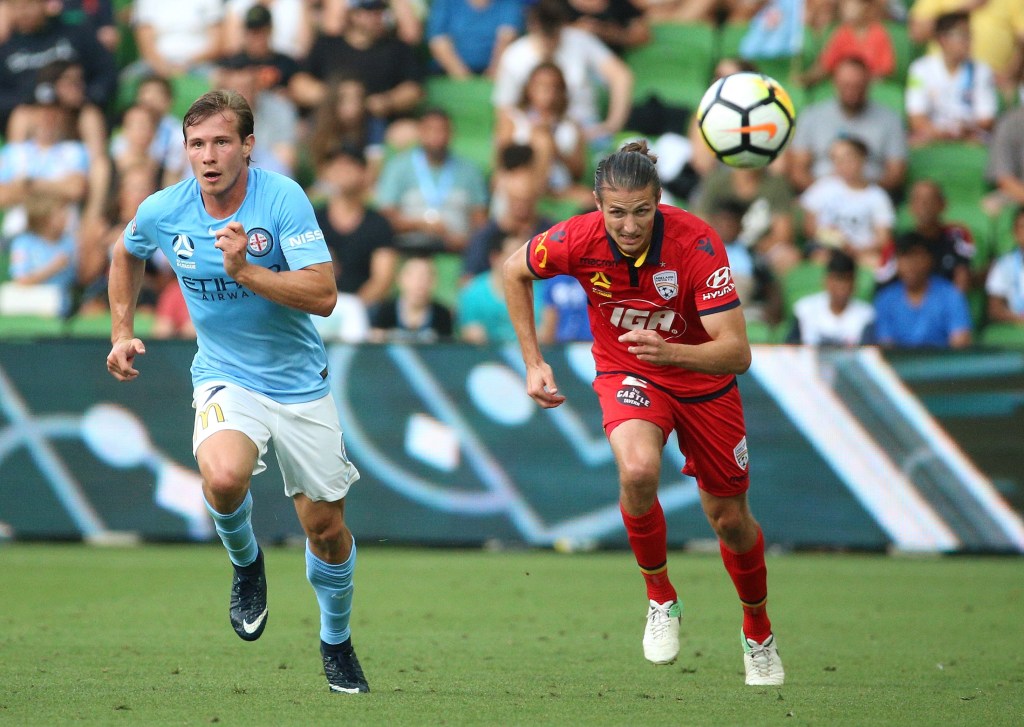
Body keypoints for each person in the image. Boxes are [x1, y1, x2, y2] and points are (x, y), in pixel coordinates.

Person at [104, 90, 369, 695]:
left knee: (326, 529)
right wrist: (121, 331)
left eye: (222, 141)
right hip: (225, 373)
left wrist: (246, 272)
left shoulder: (283, 198)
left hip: (299, 382)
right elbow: (125, 252)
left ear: (248, 146)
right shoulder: (164, 209)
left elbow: (324, 295)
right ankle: (247, 564)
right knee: (223, 477)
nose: (208, 155)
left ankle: (335, 640)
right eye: (197, 144)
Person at [503, 141, 785, 686]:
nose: (629, 225)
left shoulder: (697, 242)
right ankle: (660, 597)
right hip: (629, 372)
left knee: (730, 521)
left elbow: (737, 353)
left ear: (659, 201)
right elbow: (514, 271)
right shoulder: (576, 238)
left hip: (704, 381)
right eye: (616, 212)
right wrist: (533, 362)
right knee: (636, 471)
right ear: (597, 204)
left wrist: (672, 351)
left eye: (641, 211)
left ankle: (758, 631)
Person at [491, 0, 633, 144]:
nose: (549, 41)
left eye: (553, 35)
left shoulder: (580, 40)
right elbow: (505, 108)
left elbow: (620, 76)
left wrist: (612, 125)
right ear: (532, 27)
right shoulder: (514, 55)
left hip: (584, 126)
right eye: (544, 35)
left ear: (562, 25)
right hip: (535, 129)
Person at [787, 57, 907, 197]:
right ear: (835, 83)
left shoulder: (890, 119)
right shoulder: (811, 116)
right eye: (846, 85)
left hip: (869, 198)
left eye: (857, 86)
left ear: (869, 83)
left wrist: (860, 193)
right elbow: (798, 169)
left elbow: (896, 173)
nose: (852, 92)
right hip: (820, 197)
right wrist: (824, 194)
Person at [375, 108, 489, 253]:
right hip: (409, 248)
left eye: (442, 130)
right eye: (430, 130)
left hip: (458, 249)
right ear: (420, 133)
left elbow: (480, 220)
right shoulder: (398, 167)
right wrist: (421, 225)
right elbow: (385, 218)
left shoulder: (470, 171)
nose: (436, 137)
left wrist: (466, 241)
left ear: (452, 134)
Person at [799, 135, 895, 273]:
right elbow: (809, 227)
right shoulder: (823, 187)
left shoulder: (877, 196)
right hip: (827, 250)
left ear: (862, 158)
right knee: (820, 259)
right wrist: (835, 240)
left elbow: (883, 239)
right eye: (836, 159)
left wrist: (855, 250)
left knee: (879, 265)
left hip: (861, 253)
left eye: (847, 158)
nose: (841, 164)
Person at [905, 11, 998, 147]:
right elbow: (916, 117)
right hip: (931, 135)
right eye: (962, 36)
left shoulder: (981, 70)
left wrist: (962, 130)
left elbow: (987, 118)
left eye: (969, 35)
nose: (968, 42)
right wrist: (940, 132)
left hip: (968, 135)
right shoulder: (919, 69)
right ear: (943, 39)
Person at [873, 233, 972, 348]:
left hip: (941, 358)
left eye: (916, 257)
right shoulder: (886, 299)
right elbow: (886, 345)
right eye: (904, 257)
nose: (910, 264)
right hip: (899, 359)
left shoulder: (950, 295)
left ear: (929, 259)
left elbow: (960, 343)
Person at [876, 179, 975, 291]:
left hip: (948, 300)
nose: (924, 205)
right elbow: (882, 290)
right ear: (910, 207)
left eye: (930, 200)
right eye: (918, 200)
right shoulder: (896, 246)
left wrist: (951, 301)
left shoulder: (956, 235)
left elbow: (962, 280)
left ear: (943, 204)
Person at [787, 249, 876, 345]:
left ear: (854, 284)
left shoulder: (866, 315)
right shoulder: (805, 309)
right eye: (837, 280)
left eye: (846, 281)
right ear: (827, 281)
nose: (841, 286)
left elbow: (867, 350)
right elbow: (790, 347)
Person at [426, 0, 523, 79]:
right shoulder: (446, 2)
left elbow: (507, 37)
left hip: (497, 73)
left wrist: (493, 74)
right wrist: (463, 77)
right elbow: (437, 40)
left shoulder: (509, 3)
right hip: (447, 73)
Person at [369, 254, 455, 343]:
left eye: (426, 276)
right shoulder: (384, 312)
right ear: (401, 279)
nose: (420, 282)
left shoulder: (442, 315)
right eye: (414, 276)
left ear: (434, 281)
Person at [984, 206, 1024, 325]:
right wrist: (1018, 319)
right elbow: (995, 309)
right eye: (1022, 227)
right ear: (1014, 232)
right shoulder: (1004, 264)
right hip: (1017, 324)